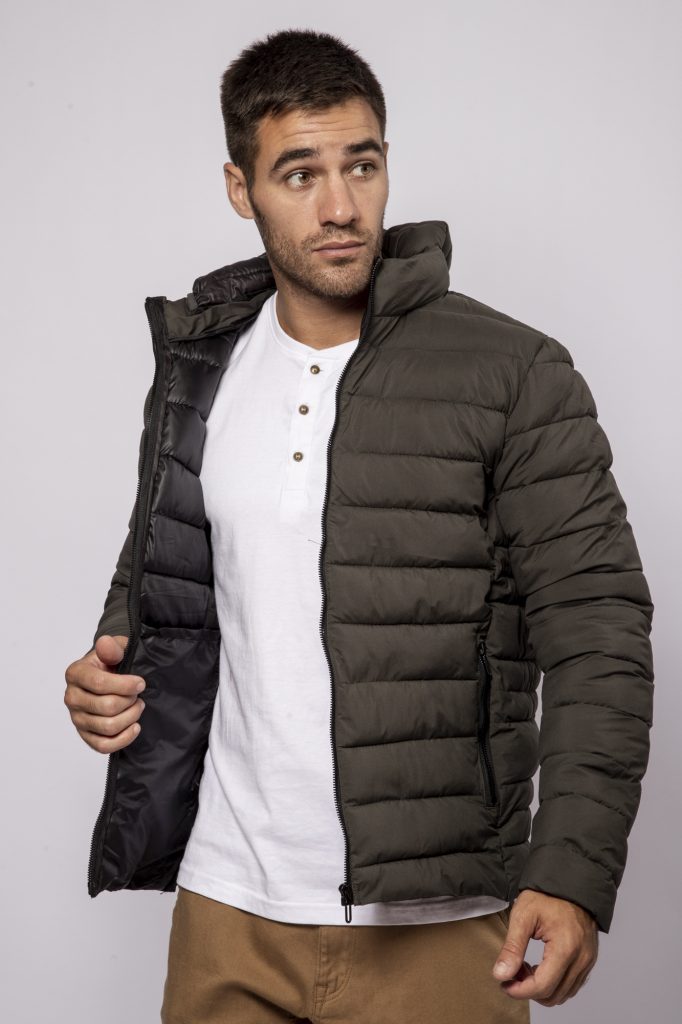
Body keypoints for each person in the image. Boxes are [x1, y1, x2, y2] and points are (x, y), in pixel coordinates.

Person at [63, 27, 655, 1023]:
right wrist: (104, 682)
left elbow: (599, 631)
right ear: (241, 188)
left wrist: (572, 872)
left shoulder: (513, 371)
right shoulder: (199, 369)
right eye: (299, 174)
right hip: (226, 911)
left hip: (441, 924)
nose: (340, 207)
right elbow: (163, 594)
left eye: (362, 165)